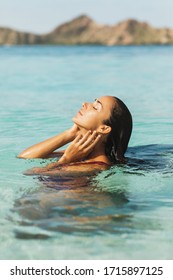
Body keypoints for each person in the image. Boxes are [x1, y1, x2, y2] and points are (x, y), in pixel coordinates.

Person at [18, 96, 132, 175]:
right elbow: (24, 157)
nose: (85, 104)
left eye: (95, 107)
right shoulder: (84, 154)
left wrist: (65, 161)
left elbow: (31, 173)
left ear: (104, 128)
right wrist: (70, 133)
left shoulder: (95, 166)